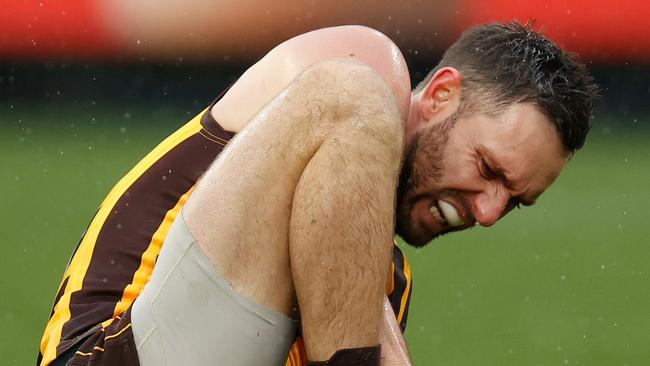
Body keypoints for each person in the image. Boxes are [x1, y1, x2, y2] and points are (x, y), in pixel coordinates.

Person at [38, 21, 598, 366]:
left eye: (515, 202)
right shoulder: (366, 70)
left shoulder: (381, 281)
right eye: (489, 169)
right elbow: (350, 93)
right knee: (354, 95)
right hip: (106, 352)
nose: (489, 212)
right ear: (442, 94)